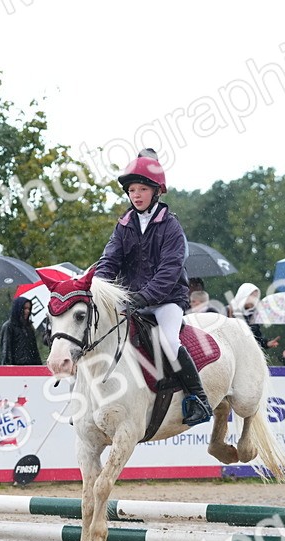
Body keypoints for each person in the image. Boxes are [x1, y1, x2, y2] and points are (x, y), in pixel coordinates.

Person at [92, 148, 211, 426]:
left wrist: (142, 297)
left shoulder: (170, 226)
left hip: (167, 300)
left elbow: (169, 271)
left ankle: (199, 398)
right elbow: (109, 260)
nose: (136, 194)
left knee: (169, 342)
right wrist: (98, 287)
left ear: (156, 191)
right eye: (132, 189)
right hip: (133, 299)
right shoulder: (123, 225)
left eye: (142, 188)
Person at [229, 283, 280, 351]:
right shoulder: (229, 311)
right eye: (252, 297)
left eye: (256, 298)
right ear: (244, 296)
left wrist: (267, 343)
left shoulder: (253, 316)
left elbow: (257, 339)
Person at [0, 296, 42, 366]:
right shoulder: (9, 326)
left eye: (29, 308)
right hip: (16, 367)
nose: (27, 311)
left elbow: (35, 350)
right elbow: (6, 350)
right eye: (24, 308)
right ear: (18, 309)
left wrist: (39, 366)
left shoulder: (29, 327)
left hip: (31, 367)